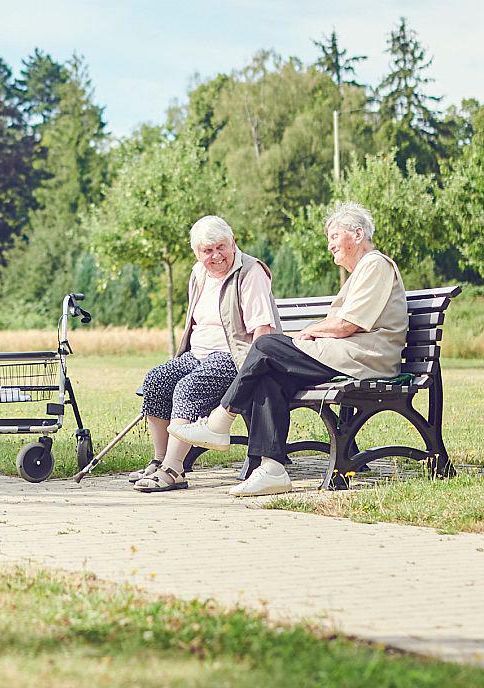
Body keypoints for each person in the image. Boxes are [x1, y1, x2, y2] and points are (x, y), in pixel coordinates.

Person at [172, 201, 408, 497]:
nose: (329, 245)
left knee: (267, 344)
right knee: (269, 376)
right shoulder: (362, 270)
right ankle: (272, 469)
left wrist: (309, 331)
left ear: (358, 234)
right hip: (343, 356)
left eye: (334, 237)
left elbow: (348, 325)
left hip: (363, 360)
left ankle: (220, 421)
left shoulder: (375, 264)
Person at [128, 216, 277, 492]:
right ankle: (160, 461)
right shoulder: (198, 273)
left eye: (221, 247)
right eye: (207, 251)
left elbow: (263, 331)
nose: (216, 256)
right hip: (197, 354)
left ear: (233, 243)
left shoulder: (250, 272)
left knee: (187, 388)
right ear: (196, 253)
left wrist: (252, 373)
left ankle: (174, 469)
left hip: (234, 357)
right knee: (156, 380)